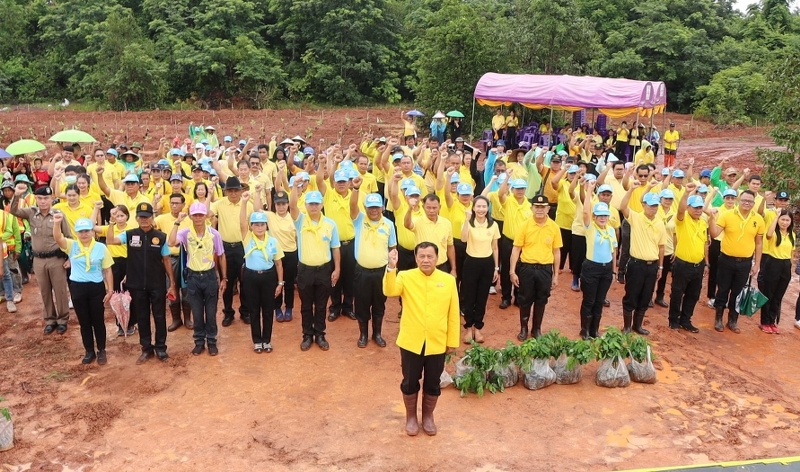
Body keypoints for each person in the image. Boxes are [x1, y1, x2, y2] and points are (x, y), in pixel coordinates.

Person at [383, 243, 459, 437]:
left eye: (430, 256)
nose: (426, 260)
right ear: (416, 258)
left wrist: (452, 341)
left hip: (437, 341)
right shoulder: (405, 277)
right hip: (411, 341)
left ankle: (427, 417)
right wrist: (391, 267)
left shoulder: (448, 281)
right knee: (409, 381)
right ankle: (410, 417)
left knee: (433, 382)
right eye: (422, 256)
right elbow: (389, 291)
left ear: (437, 258)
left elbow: (453, 313)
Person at [107, 203, 176, 364]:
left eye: (147, 216)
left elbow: (166, 260)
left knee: (159, 316)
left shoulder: (161, 236)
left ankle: (160, 348)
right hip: (137, 285)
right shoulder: (129, 235)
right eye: (141, 217)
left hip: (157, 283)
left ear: (152, 218)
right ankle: (146, 349)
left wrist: (172, 282)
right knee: (143, 317)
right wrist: (111, 222)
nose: (144, 219)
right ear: (137, 218)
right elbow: (110, 240)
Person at [10, 186, 71, 334]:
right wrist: (17, 195)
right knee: (44, 291)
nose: (43, 201)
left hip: (56, 258)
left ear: (51, 199)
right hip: (38, 259)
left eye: (46, 198)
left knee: (60, 290)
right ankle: (50, 320)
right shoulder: (31, 213)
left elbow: (68, 237)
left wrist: (70, 258)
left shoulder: (58, 214)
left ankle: (62, 320)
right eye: (40, 198)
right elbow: (13, 211)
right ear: (36, 198)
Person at [53, 216, 114, 365]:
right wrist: (56, 222)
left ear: (93, 232)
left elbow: (107, 270)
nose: (84, 234)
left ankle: (101, 350)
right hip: (78, 287)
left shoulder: (101, 247)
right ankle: (89, 351)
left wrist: (110, 290)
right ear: (76, 233)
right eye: (80, 232)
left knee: (98, 321)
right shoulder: (72, 246)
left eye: (87, 231)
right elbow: (58, 238)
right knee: (84, 322)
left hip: (96, 288)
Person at [169, 203, 226, 356]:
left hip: (209, 276)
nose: (198, 218)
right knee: (197, 312)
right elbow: (170, 242)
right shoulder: (185, 233)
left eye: (201, 214)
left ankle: (212, 341)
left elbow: (221, 255)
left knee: (211, 312)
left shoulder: (214, 234)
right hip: (193, 277)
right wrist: (176, 222)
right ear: (191, 216)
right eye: (195, 215)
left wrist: (224, 278)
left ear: (206, 215)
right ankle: (199, 342)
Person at [289, 186, 341, 351]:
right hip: (305, 270)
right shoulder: (300, 221)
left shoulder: (330, 224)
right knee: (306, 305)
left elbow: (335, 248)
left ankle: (320, 334)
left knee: (321, 304)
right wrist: (295, 187)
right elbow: (291, 206)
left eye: (316, 203)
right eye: (310, 204)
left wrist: (337, 269)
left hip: (324, 269)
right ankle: (307, 335)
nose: (313, 207)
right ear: (305, 205)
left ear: (321, 204)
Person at [709, 190, 764, 334]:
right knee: (723, 289)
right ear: (739, 200)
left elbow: (759, 243)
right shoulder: (727, 215)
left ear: (753, 203)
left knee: (738, 292)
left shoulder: (758, 219)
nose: (747, 203)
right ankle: (718, 319)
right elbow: (714, 234)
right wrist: (711, 219)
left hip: (745, 263)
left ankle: (733, 320)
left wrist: (757, 264)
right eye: (744, 200)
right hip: (726, 260)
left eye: (750, 201)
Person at [349, 184, 397, 347]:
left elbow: (392, 247)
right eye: (370, 207)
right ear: (365, 208)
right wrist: (355, 189)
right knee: (361, 305)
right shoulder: (359, 220)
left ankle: (377, 334)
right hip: (362, 272)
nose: (373, 210)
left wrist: (392, 264)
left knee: (379, 304)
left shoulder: (389, 224)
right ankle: (363, 334)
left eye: (376, 207)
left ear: (382, 207)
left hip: (380, 273)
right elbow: (352, 205)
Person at [509, 195, 562, 339]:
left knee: (541, 300)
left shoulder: (554, 227)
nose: (539, 210)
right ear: (532, 208)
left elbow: (556, 251)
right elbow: (516, 249)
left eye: (542, 207)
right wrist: (512, 271)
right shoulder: (524, 226)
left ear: (548, 209)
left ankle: (536, 329)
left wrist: (556, 275)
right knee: (525, 299)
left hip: (545, 269)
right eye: (537, 207)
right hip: (527, 268)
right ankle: (524, 328)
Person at [619, 181, 667, 335]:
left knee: (646, 296)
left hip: (652, 266)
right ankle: (627, 326)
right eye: (650, 205)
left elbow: (661, 247)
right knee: (631, 295)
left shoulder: (660, 224)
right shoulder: (636, 218)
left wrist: (660, 266)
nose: (653, 208)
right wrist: (631, 189)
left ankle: (637, 326)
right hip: (636, 265)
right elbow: (623, 207)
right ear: (644, 205)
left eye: (655, 205)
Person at [239, 190, 284, 353]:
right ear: (251, 227)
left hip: (269, 277)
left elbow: (278, 264)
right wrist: (244, 202)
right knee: (254, 310)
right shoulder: (247, 238)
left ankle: (267, 340)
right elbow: (242, 223)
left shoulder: (273, 241)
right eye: (256, 224)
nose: (259, 227)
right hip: (251, 277)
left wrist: (280, 283)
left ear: (266, 226)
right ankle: (257, 341)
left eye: (262, 224)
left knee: (267, 309)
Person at [210, 176, 252, 327]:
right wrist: (209, 194)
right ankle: (228, 312)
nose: (233, 193)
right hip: (225, 248)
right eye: (230, 191)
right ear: (226, 192)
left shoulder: (248, 204)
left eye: (236, 190)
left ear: (241, 191)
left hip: (243, 247)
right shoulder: (219, 204)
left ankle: (245, 311)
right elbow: (207, 212)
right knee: (226, 281)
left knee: (245, 282)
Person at [318, 160, 356, 322]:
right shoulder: (329, 195)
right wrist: (321, 164)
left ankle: (347, 307)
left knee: (349, 277)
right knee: (334, 276)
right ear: (334, 183)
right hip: (333, 244)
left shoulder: (355, 196)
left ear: (349, 182)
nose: (341, 184)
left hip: (350, 243)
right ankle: (334, 307)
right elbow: (319, 180)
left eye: (344, 181)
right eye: (338, 182)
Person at [579, 182, 617, 339]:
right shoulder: (591, 227)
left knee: (599, 300)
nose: (602, 218)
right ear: (595, 217)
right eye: (599, 215)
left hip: (606, 269)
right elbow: (585, 212)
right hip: (591, 268)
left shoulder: (611, 230)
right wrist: (589, 190)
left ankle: (595, 330)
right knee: (589, 300)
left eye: (605, 215)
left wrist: (613, 270)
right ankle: (585, 330)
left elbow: (613, 251)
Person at [459, 196, 500, 344]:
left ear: (488, 208)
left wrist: (496, 268)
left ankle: (478, 327)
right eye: (478, 206)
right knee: (469, 297)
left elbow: (495, 247)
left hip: (487, 263)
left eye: (484, 206)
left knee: (482, 297)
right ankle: (469, 328)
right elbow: (463, 239)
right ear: (473, 208)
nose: (481, 209)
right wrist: (466, 220)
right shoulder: (469, 223)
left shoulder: (493, 225)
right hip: (471, 262)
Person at [668, 185, 708, 333]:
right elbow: (679, 210)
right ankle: (673, 320)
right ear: (688, 207)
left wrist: (706, 264)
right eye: (695, 207)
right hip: (682, 264)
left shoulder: (703, 222)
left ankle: (686, 320)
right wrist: (685, 193)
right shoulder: (682, 219)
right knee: (677, 292)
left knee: (693, 294)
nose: (698, 210)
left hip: (698, 265)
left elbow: (704, 244)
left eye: (700, 207)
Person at [94, 204, 136, 336]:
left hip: (129, 262)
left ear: (127, 216)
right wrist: (96, 209)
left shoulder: (132, 230)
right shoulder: (109, 228)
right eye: (117, 215)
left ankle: (131, 323)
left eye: (122, 215)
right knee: (117, 295)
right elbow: (91, 226)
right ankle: (120, 323)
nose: (119, 218)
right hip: (114, 263)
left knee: (130, 294)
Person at [154, 191, 193, 331]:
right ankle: (176, 319)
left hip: (186, 258)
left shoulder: (189, 219)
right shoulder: (162, 219)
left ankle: (188, 318)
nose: (174, 206)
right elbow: (151, 226)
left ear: (183, 205)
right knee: (171, 286)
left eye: (177, 203)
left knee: (187, 288)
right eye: (172, 203)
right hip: (169, 259)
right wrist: (155, 202)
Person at [497, 176, 532, 308]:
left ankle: (519, 296)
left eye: (522, 188)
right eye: (517, 188)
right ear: (512, 189)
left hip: (524, 243)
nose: (520, 191)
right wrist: (506, 176)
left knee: (521, 269)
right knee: (506, 269)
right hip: (508, 241)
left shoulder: (529, 206)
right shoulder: (508, 201)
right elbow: (500, 193)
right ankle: (506, 297)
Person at [758, 208, 793, 333]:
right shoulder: (774, 234)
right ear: (778, 221)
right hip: (773, 263)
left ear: (790, 221)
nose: (784, 222)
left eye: (787, 220)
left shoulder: (791, 235)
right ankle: (765, 321)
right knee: (768, 293)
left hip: (785, 265)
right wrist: (775, 217)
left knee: (778, 295)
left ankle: (772, 321)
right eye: (782, 220)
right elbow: (768, 235)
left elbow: (790, 252)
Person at [403, 194, 455, 274]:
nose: (431, 211)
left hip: (442, 267)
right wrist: (410, 209)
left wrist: (453, 269)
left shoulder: (446, 223)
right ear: (423, 207)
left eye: (434, 208)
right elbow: (407, 224)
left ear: (439, 207)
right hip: (423, 267)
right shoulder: (418, 221)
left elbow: (450, 246)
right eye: (428, 207)